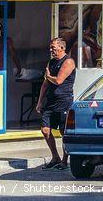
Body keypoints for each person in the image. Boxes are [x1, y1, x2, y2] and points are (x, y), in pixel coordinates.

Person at [37, 37, 76, 170]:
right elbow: (45, 84)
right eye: (50, 47)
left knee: (63, 131)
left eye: (53, 47)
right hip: (51, 101)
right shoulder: (51, 62)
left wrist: (48, 77)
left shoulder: (68, 62)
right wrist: (39, 101)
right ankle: (55, 157)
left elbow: (59, 80)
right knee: (45, 130)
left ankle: (65, 161)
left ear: (62, 48)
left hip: (64, 101)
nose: (51, 50)